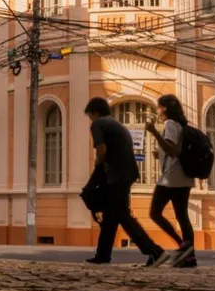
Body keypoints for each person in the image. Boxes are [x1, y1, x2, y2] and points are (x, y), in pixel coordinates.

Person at [84, 97, 171, 267]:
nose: (91, 119)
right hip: (128, 173)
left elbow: (101, 150)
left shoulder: (98, 124)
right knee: (110, 216)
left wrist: (96, 166)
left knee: (121, 215)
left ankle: (155, 251)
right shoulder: (118, 125)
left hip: (116, 175)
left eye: (90, 116)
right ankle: (102, 255)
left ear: (95, 112)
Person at [145, 94, 197, 268]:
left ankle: (182, 243)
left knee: (154, 212)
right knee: (182, 215)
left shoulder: (170, 124)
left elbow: (173, 150)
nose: (158, 111)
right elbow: (174, 150)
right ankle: (190, 256)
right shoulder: (181, 124)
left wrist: (154, 132)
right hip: (184, 177)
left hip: (171, 178)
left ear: (165, 108)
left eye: (159, 107)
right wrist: (159, 153)